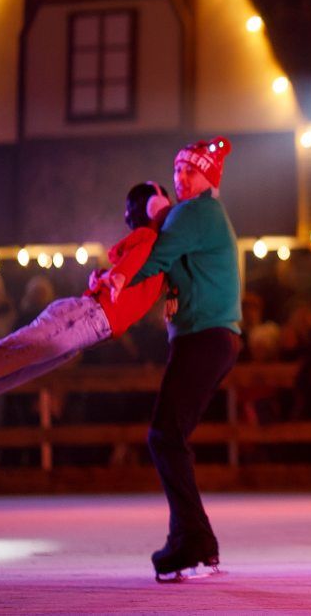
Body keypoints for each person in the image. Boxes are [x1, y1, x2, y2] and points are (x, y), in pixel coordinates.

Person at [109, 137, 242, 582]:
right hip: (209, 335)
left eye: (192, 171)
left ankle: (194, 541)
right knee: (170, 437)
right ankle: (192, 541)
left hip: (204, 334)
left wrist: (112, 279)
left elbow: (154, 257)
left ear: (209, 179)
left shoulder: (196, 212)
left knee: (165, 436)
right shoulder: (200, 215)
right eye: (178, 170)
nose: (182, 177)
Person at [0, 183, 170, 397]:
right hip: (86, 317)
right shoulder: (149, 238)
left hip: (89, 325)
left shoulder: (160, 256)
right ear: (156, 208)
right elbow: (136, 255)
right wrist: (119, 276)